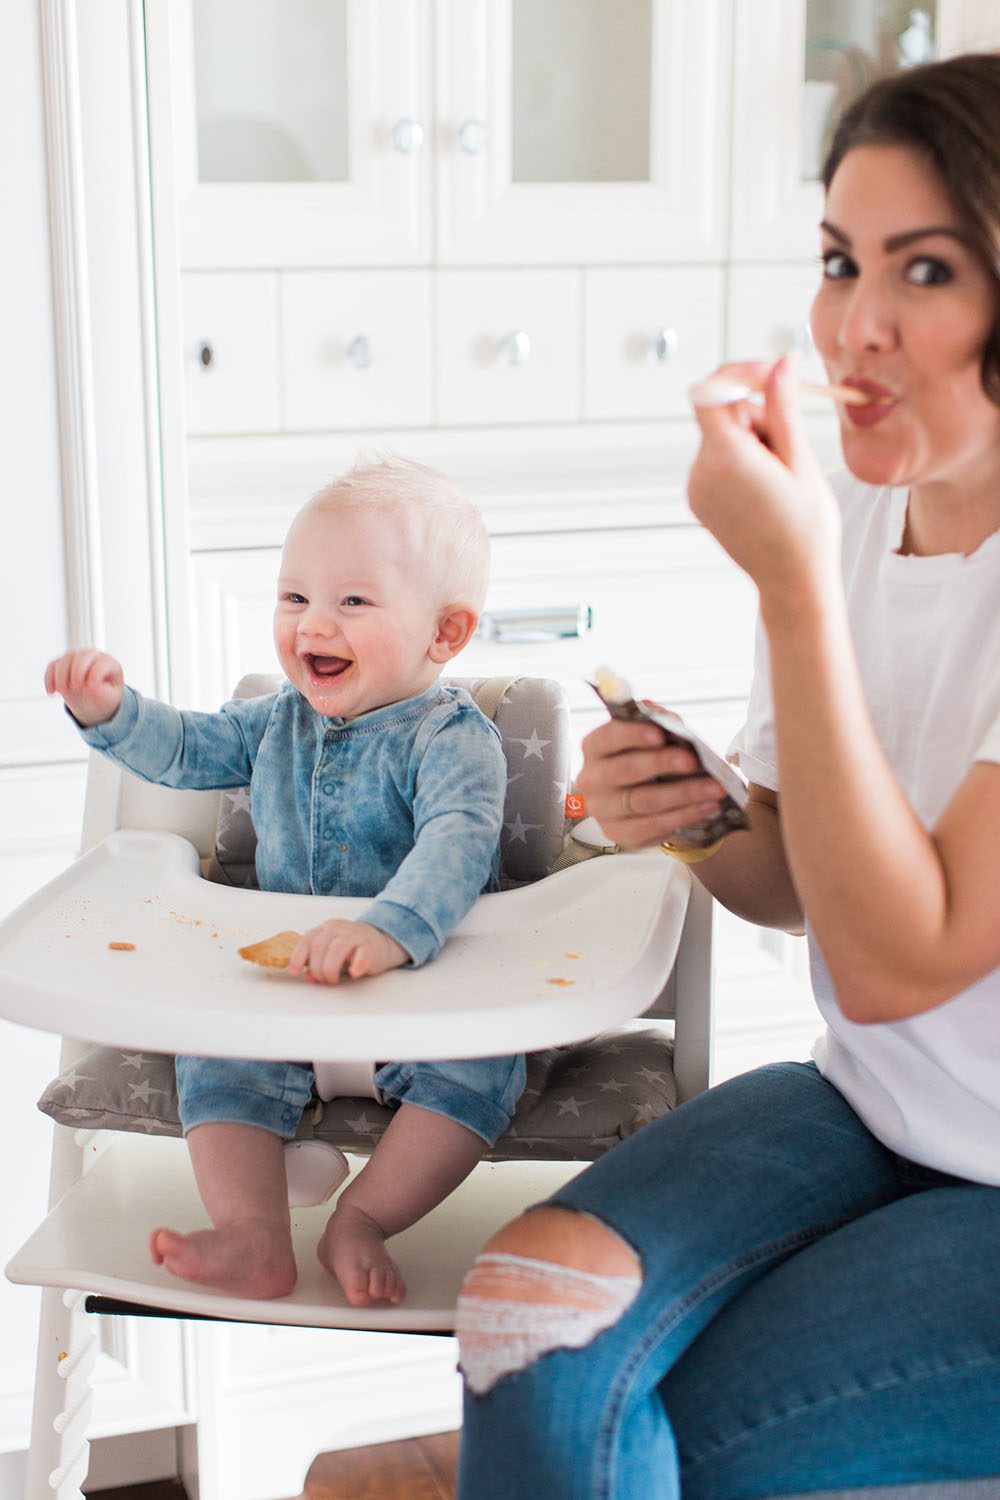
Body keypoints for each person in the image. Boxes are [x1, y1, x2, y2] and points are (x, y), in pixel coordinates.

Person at [453, 53, 1000, 1499]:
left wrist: (794, 584)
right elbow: (808, 886)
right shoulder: (863, 513)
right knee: (523, 1314)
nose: (855, 326)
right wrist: (695, 818)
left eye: (926, 269)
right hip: (878, 1103)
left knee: (669, 1437)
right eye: (839, 262)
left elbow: (906, 957)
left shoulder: (819, 544)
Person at [45, 456, 524, 1308]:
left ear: (445, 634)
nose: (314, 625)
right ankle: (254, 1237)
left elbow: (458, 842)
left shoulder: (454, 739)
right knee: (213, 1054)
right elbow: (186, 752)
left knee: (482, 1072)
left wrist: (388, 930)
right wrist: (112, 713)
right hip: (281, 990)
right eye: (295, 597)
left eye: (353, 601)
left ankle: (365, 1218)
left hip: (426, 997)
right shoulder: (277, 722)